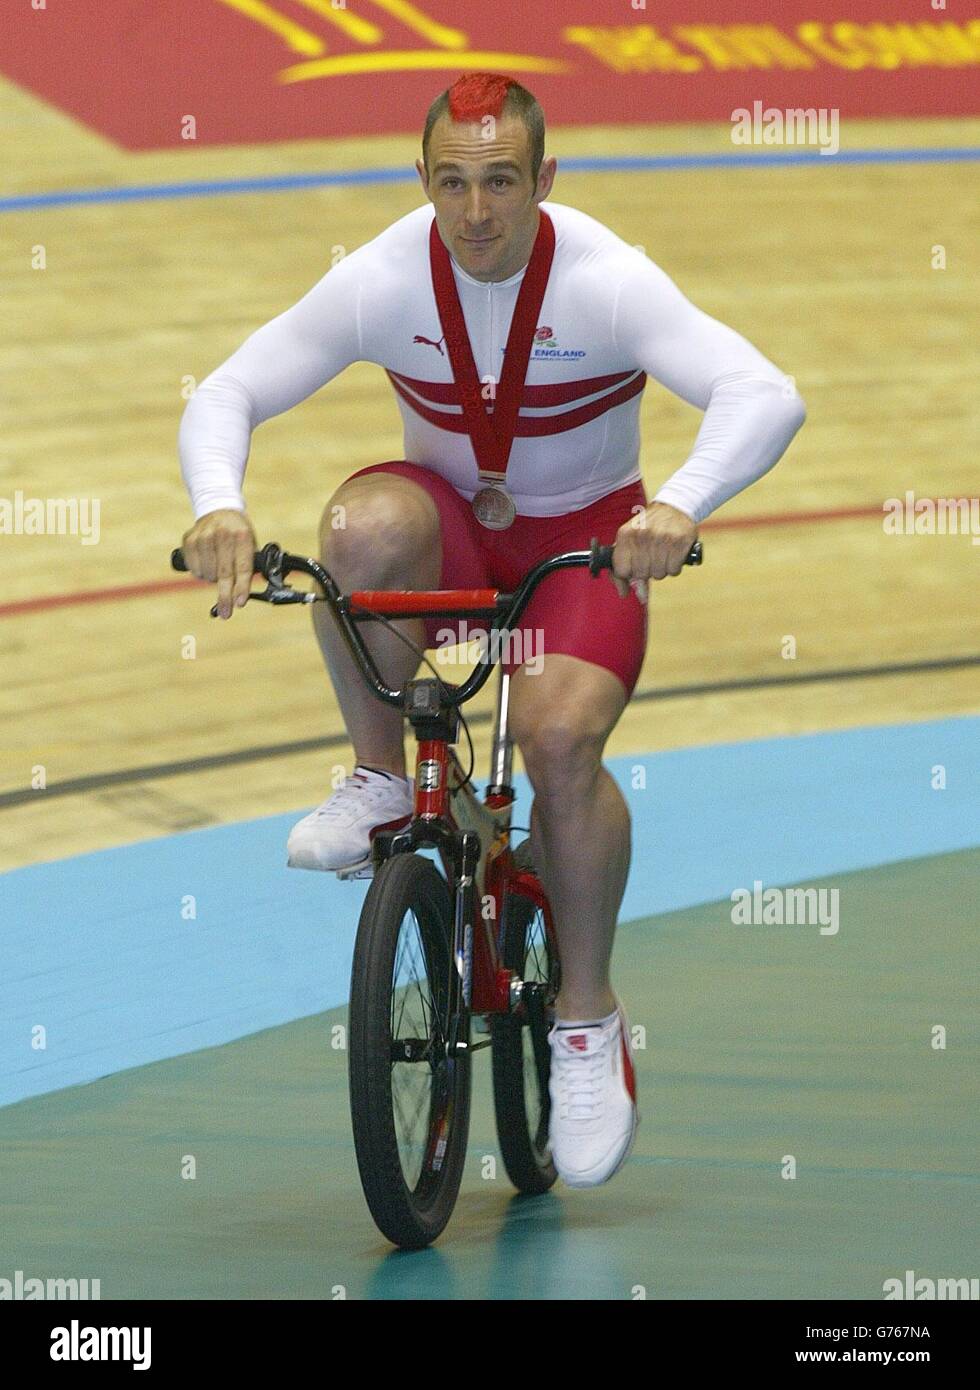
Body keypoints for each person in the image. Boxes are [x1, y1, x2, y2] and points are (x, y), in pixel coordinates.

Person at [178, 72, 805, 1189]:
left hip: (586, 550)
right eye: (453, 184)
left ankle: (584, 1017)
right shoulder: (382, 275)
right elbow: (228, 388)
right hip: (456, 540)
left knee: (559, 743)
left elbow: (761, 391)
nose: (476, 213)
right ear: (422, 181)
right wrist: (220, 505)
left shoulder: (604, 278)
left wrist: (678, 507)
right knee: (355, 527)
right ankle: (379, 778)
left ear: (544, 181)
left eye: (501, 182)